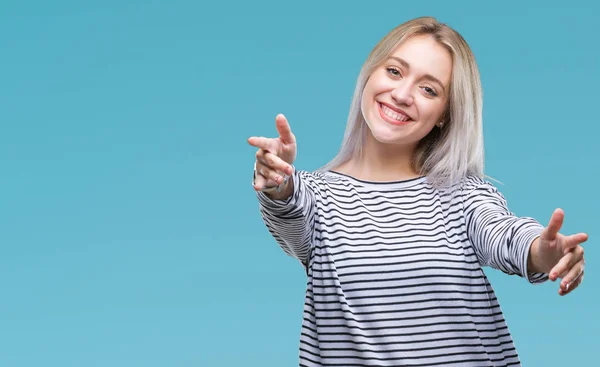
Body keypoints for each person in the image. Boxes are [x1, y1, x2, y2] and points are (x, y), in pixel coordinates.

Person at [247, 16, 587, 367]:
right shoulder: (316, 197)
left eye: (429, 89)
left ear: (444, 114)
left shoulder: (462, 194)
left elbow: (503, 233)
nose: (402, 94)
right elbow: (288, 214)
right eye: (394, 71)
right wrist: (277, 180)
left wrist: (543, 252)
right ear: (370, 73)